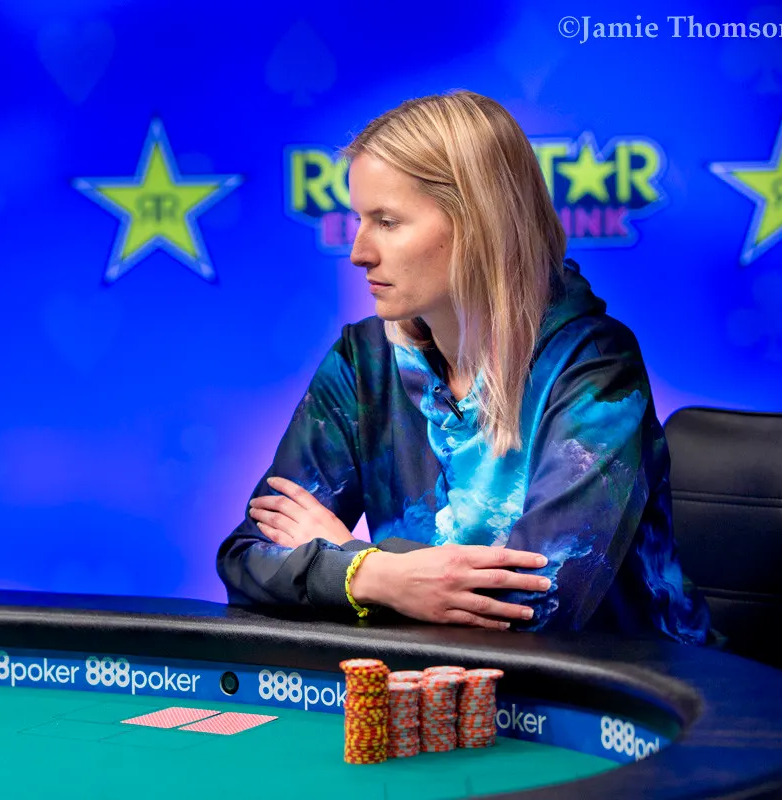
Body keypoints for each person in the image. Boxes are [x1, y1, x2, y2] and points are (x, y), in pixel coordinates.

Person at [216, 90, 712, 644]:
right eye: (358, 220)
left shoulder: (595, 367)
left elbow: (537, 604)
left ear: (478, 223)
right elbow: (247, 557)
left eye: (387, 221)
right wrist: (377, 576)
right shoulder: (362, 362)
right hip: (442, 678)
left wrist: (355, 560)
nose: (358, 252)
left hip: (620, 691)